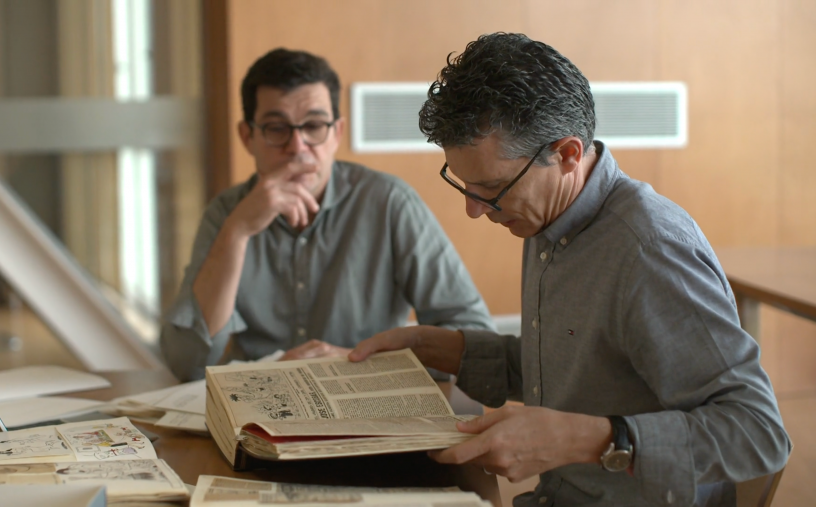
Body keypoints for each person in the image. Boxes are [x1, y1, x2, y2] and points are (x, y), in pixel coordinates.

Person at [349, 33, 790, 506]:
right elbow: (585, 373)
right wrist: (445, 349)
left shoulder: (649, 249)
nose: (476, 211)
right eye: (466, 187)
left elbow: (758, 433)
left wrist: (585, 440)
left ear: (567, 155)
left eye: (491, 189)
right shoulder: (546, 216)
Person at [160, 48, 494, 381]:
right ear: (248, 137)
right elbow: (187, 362)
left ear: (337, 132)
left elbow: (476, 338)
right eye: (277, 128)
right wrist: (237, 232)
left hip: (367, 404)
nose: (297, 146)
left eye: (314, 126)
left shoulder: (389, 202)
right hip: (261, 409)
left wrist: (364, 359)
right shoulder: (227, 214)